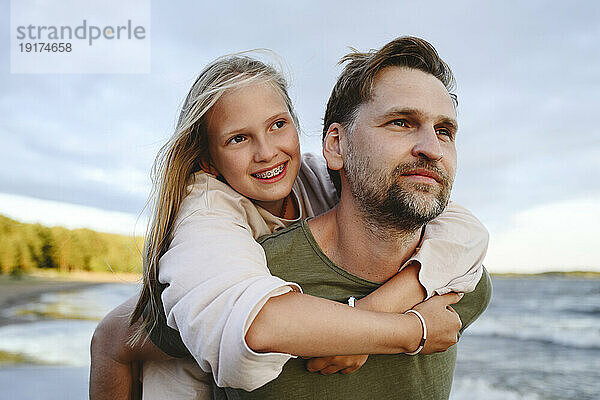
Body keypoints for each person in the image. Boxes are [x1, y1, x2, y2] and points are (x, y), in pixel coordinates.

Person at [90, 46, 488, 399]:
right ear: (209, 160)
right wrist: (410, 332)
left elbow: (463, 228)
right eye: (238, 139)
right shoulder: (206, 210)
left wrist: (377, 308)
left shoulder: (312, 175)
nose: (268, 152)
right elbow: (253, 326)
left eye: (278, 125)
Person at [210, 36, 493, 399]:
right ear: (336, 145)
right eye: (401, 122)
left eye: (444, 131)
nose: (432, 149)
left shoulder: (465, 282)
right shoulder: (253, 277)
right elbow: (124, 343)